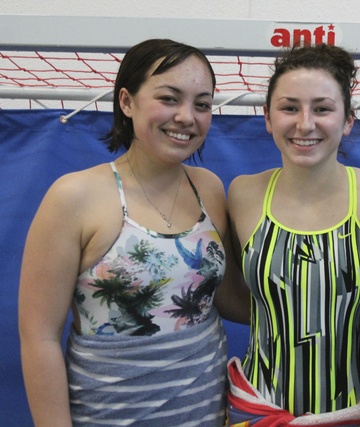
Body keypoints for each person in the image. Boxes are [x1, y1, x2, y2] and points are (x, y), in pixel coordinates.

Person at [18, 38, 249, 426]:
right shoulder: (74, 197)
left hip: (208, 413)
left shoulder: (208, 187)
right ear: (126, 102)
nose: (187, 116)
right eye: (169, 98)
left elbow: (224, 299)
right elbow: (38, 338)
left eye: (202, 104)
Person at [225, 43, 360, 426]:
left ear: (348, 119)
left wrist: (342, 334)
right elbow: (229, 296)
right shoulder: (242, 194)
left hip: (354, 412)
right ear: (268, 118)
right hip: (257, 409)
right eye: (289, 108)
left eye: (322, 108)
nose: (305, 123)